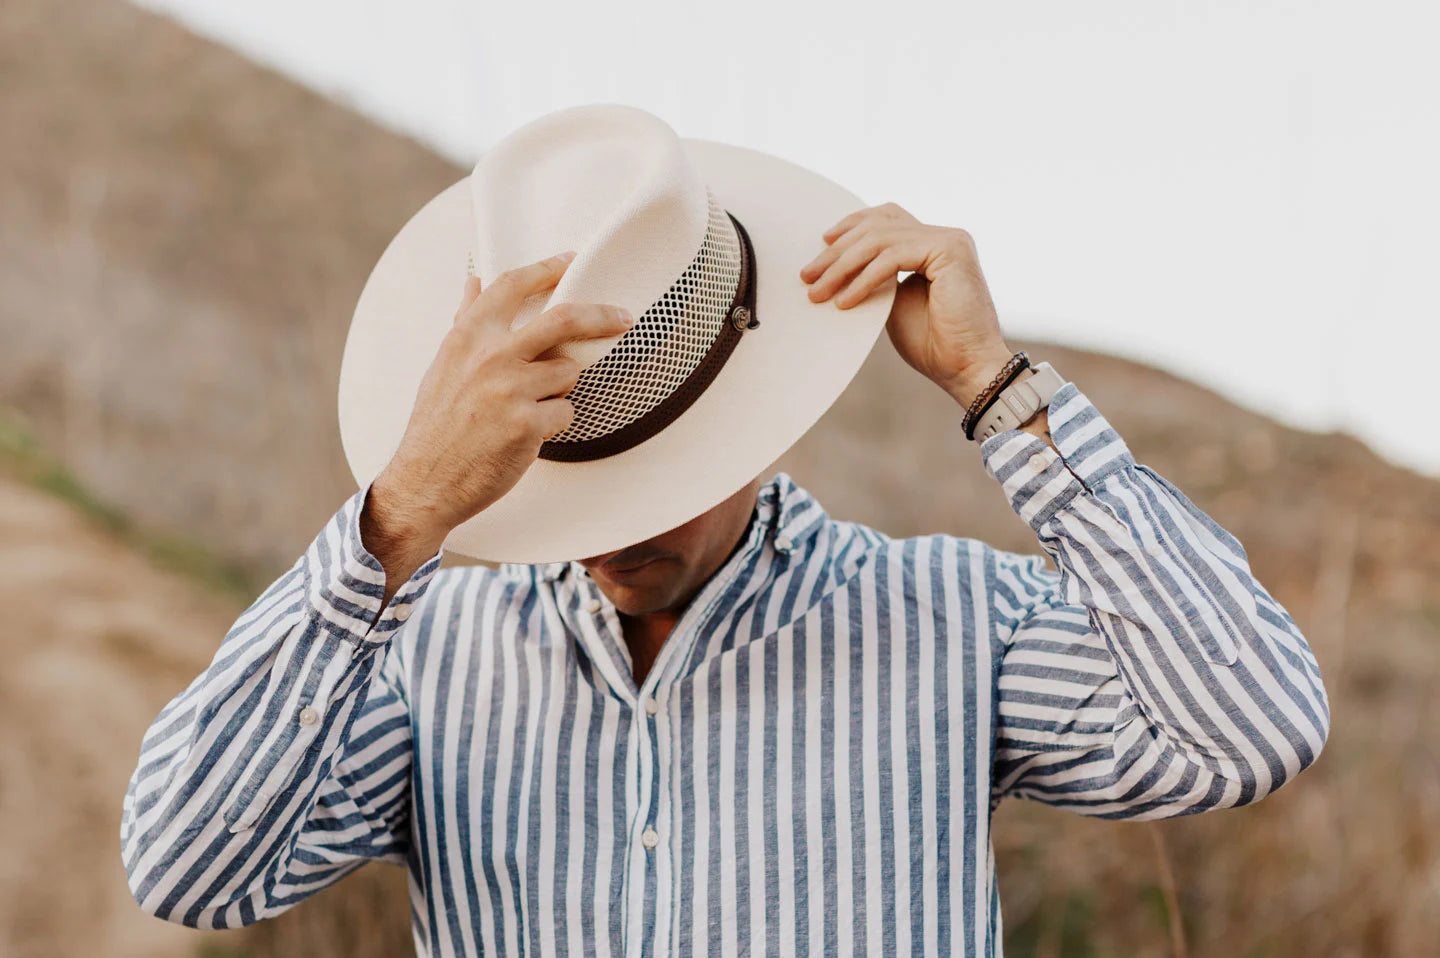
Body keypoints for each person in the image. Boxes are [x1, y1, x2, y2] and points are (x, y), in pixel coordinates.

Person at [121, 105, 1329, 956]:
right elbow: (188, 869)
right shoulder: (423, 654)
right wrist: (399, 518)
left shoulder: (956, 619)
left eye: (659, 478)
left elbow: (1252, 726)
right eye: (571, 472)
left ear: (755, 423)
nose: (614, 536)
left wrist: (1001, 392)